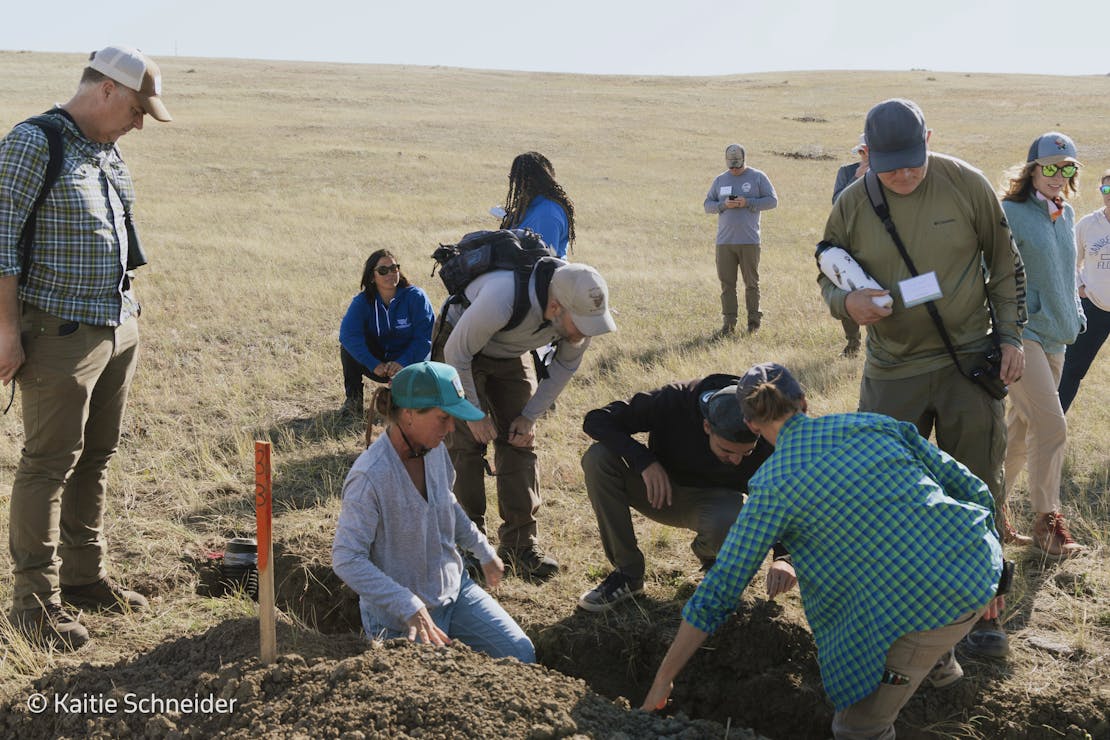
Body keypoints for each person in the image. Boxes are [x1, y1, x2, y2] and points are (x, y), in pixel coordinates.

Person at [642, 363, 1005, 740]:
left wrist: (664, 679)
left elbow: (720, 589)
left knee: (856, 728)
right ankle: (942, 672)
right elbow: (973, 488)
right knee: (899, 565)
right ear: (804, 401)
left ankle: (924, 664)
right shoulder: (873, 425)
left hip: (929, 605)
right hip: (978, 564)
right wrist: (1000, 572)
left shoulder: (772, 485)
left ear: (750, 425)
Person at [816, 98, 1025, 660]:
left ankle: (985, 613)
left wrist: (1010, 337)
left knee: (978, 486)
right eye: (891, 165)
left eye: (914, 159)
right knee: (882, 490)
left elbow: (1004, 263)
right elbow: (828, 271)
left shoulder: (966, 184)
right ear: (866, 154)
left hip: (967, 363)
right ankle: (889, 607)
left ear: (929, 138)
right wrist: (847, 302)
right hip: (893, 368)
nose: (905, 173)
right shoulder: (852, 204)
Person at [0, 46, 172, 650]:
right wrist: (3, 331)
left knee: (96, 455)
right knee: (49, 463)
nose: (140, 121)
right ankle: (33, 605)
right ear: (105, 91)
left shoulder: (106, 149)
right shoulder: (33, 142)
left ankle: (83, 576)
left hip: (115, 323)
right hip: (57, 333)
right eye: (135, 108)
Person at [331, 361, 535, 663]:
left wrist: (482, 550)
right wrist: (406, 603)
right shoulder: (370, 477)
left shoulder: (434, 448)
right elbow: (346, 558)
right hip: (399, 619)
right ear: (409, 414)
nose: (452, 428)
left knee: (520, 653)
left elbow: (446, 503)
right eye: (443, 418)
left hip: (456, 591)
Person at [435, 261, 616, 581]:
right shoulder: (502, 297)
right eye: (583, 323)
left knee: (519, 440)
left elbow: (563, 368)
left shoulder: (574, 317)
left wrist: (529, 417)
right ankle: (467, 544)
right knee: (466, 442)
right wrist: (473, 413)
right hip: (460, 348)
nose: (587, 333)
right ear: (556, 306)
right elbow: (455, 354)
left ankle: (520, 544)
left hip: (509, 351)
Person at [577, 374, 793, 612]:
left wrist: (783, 558)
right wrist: (644, 460)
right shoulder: (676, 401)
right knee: (598, 458)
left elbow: (785, 499)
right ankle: (628, 575)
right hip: (658, 491)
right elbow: (596, 420)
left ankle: (710, 556)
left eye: (746, 453)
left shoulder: (769, 432)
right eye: (728, 450)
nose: (736, 460)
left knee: (728, 517)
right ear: (707, 425)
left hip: (717, 507)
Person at [998, 133, 1086, 558]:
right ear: (1032, 168)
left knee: (1020, 431)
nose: (1057, 175)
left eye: (1066, 167)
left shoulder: (1066, 213)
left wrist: (1075, 311)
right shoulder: (1010, 212)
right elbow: (990, 269)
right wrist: (1009, 326)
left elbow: (1068, 270)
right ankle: (1048, 523)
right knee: (1052, 424)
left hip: (1058, 334)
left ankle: (990, 513)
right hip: (1022, 333)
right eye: (1049, 166)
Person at [339, 249, 434, 415]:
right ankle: (353, 401)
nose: (390, 273)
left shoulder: (416, 297)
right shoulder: (362, 301)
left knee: (407, 410)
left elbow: (425, 338)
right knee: (348, 348)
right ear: (372, 277)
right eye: (383, 270)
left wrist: (402, 362)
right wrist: (373, 364)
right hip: (379, 364)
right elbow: (348, 335)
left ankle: (409, 394)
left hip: (412, 362)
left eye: (394, 268)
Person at [703, 143, 778, 335]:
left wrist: (748, 202)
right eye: (731, 166)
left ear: (744, 160)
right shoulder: (720, 180)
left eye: (737, 165)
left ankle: (754, 323)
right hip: (724, 242)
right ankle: (728, 325)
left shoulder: (757, 177)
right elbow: (707, 205)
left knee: (751, 283)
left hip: (749, 241)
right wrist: (724, 205)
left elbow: (772, 201)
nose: (734, 169)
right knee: (727, 284)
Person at [1059, 168, 1110, 413]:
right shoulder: (1088, 224)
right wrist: (1079, 287)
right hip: (1094, 307)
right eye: (1106, 189)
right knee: (1072, 369)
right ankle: (1053, 423)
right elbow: (1071, 261)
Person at [830, 134, 868, 357]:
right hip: (849, 241)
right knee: (846, 289)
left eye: (868, 151)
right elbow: (837, 203)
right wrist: (857, 178)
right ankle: (853, 342)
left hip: (877, 239)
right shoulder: (846, 171)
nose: (865, 155)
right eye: (861, 151)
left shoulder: (886, 172)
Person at [499, 151, 575, 259]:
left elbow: (548, 257)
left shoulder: (548, 214)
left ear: (529, 181)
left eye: (517, 179)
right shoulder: (529, 206)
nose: (515, 183)